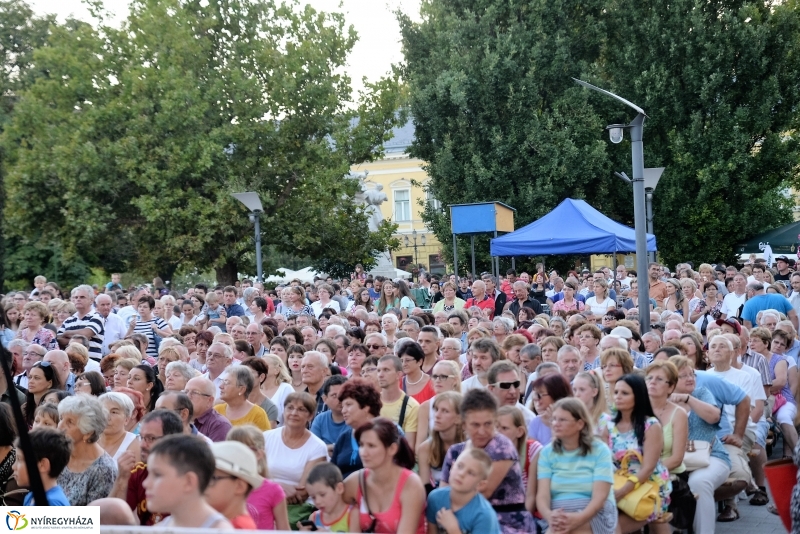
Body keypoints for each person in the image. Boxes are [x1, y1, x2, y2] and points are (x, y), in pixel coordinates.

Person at [442, 389, 534, 533]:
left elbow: (483, 492)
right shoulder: (455, 452)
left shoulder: (502, 447)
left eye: (488, 424)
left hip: (507, 523)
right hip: (464, 519)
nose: (482, 431)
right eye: (475, 425)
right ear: (464, 424)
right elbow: (443, 493)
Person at [669, 356, 731, 534]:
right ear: (671, 380)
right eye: (683, 376)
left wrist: (687, 399)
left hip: (711, 456)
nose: (690, 378)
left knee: (699, 482)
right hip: (674, 460)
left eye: (692, 374)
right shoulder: (660, 401)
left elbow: (713, 416)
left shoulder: (702, 393)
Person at [536, 398, 617, 534]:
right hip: (558, 515)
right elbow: (542, 495)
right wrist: (549, 515)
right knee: (559, 529)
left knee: (571, 530)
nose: (556, 424)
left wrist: (579, 518)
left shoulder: (600, 450)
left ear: (580, 424)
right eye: (554, 419)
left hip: (593, 513)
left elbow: (600, 496)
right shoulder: (547, 452)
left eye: (562, 420)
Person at [605, 374, 671, 532]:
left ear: (638, 396)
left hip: (650, 488)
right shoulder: (608, 424)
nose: (618, 397)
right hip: (617, 484)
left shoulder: (650, 425)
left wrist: (621, 492)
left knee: (612, 528)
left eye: (625, 393)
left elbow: (648, 469)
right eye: (616, 392)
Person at [342, 417, 427, 534]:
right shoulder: (356, 480)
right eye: (361, 445)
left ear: (392, 449)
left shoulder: (411, 484)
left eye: (371, 446)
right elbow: (330, 508)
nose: (363, 452)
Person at [109, 409, 184, 525]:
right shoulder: (138, 472)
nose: (142, 445)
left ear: (172, 440)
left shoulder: (187, 477)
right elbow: (112, 519)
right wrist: (122, 478)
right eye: (142, 437)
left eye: (151, 438)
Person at [263, 392, 328, 526]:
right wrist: (280, 487)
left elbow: (302, 493)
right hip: (264, 500)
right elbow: (253, 475)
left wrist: (268, 486)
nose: (294, 413)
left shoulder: (317, 447)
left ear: (310, 416)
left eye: (301, 409)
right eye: (290, 408)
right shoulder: (266, 437)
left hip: (297, 510)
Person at [143, 434, 233, 529]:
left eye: (157, 475)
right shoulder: (159, 529)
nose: (145, 483)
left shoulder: (220, 530)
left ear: (189, 481)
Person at [56, 394, 118, 505]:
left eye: (70, 422)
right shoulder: (57, 454)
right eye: (61, 418)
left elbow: (94, 519)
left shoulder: (103, 470)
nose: (60, 426)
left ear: (88, 433)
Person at [225, 425, 290, 530]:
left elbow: (284, 530)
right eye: (232, 449)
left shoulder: (273, 491)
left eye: (242, 450)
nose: (236, 454)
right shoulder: (222, 487)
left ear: (258, 454)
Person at [426, 448, 501, 534]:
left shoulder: (484, 514)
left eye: (471, 473)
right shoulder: (435, 498)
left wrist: (453, 529)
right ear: (452, 467)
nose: (461, 474)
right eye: (460, 466)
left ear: (480, 484)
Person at [205, 440, 263, 528]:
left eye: (213, 478)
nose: (203, 484)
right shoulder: (224, 523)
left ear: (240, 486)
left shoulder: (236, 528)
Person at [332, 377, 382, 478]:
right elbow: (332, 474)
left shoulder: (387, 433)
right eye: (342, 406)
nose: (343, 411)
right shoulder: (343, 438)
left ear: (366, 407)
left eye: (348, 405)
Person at [418, 391, 464, 494]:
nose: (437, 415)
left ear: (458, 418)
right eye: (436, 410)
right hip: (436, 498)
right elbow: (425, 488)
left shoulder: (470, 446)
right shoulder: (425, 448)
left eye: (445, 411)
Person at [12, 428, 73, 505]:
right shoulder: (31, 497)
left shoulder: (51, 503)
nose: (13, 467)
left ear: (43, 465)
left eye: (19, 459)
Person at [416, 360, 462, 448]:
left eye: (443, 377)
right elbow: (419, 446)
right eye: (435, 376)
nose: (437, 380)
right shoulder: (425, 407)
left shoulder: (464, 404)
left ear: (455, 380)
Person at [303, 463, 359, 532]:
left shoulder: (352, 514)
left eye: (322, 494)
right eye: (313, 497)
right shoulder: (314, 518)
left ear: (339, 488)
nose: (317, 501)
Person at [214, 367, 270, 431]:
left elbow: (263, 439)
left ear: (241, 389)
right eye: (222, 381)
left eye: (226, 382)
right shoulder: (216, 410)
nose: (220, 386)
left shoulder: (258, 414)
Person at [527, 373, 572, 446]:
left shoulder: (574, 421)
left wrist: (553, 424)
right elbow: (533, 453)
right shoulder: (535, 422)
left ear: (556, 395)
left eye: (540, 395)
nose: (536, 400)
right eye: (535, 395)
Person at [185, 376, 232, 442]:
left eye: (195, 392)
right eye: (186, 392)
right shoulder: (179, 418)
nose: (188, 396)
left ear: (209, 400)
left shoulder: (219, 425)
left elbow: (215, 452)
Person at [310, 375, 349, 452]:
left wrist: (328, 448)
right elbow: (313, 449)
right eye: (334, 395)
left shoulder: (356, 418)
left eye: (344, 394)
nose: (340, 399)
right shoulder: (320, 419)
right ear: (325, 399)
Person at [98, 392, 141, 462]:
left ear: (127, 419)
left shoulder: (133, 444)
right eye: (103, 411)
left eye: (114, 412)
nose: (107, 417)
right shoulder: (89, 440)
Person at [23, 360, 62, 426]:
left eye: (36, 378)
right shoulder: (24, 407)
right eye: (30, 377)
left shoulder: (57, 406)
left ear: (49, 383)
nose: (31, 381)